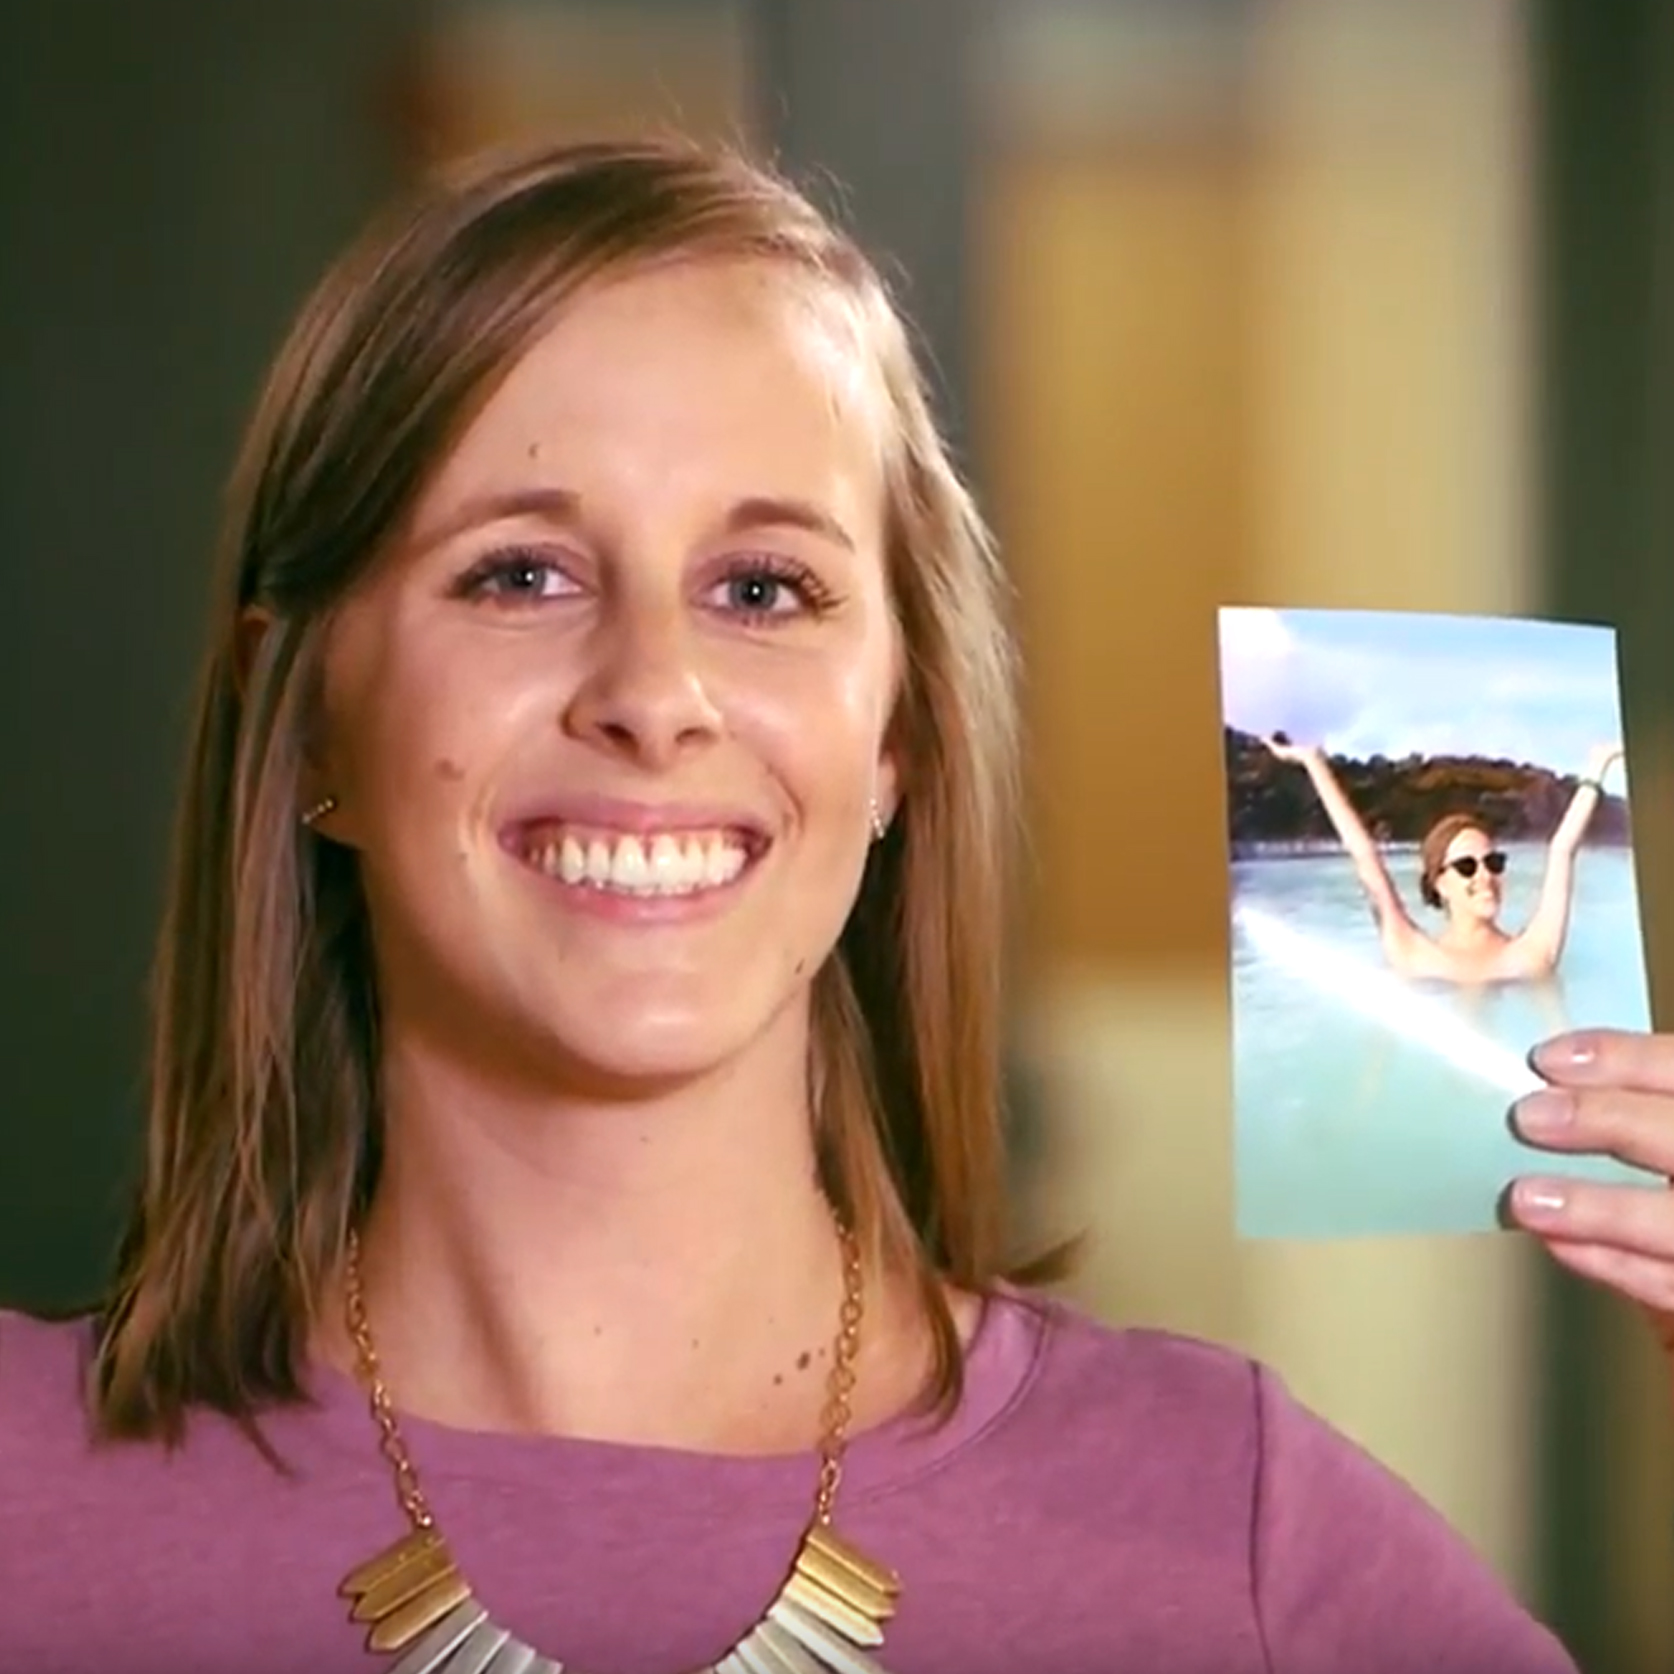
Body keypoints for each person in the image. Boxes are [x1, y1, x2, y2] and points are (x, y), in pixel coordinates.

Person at [2, 135, 1668, 1674]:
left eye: (761, 587)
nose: (653, 692)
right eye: (518, 572)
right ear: (309, 726)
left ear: (895, 739)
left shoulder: (1233, 1527)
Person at [1263, 736, 1624, 985]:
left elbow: (1562, 850)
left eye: (1493, 862)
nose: (1484, 875)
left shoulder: (1530, 954)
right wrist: (1313, 762)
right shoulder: (1413, 953)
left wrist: (1599, 765)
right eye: (1466, 866)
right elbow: (1364, 854)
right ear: (1439, 883)